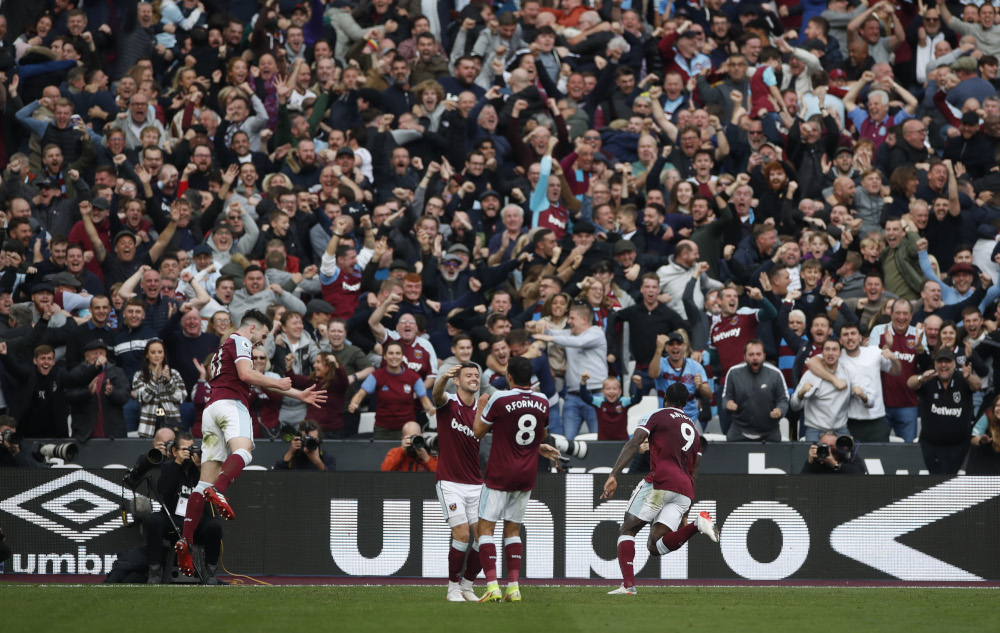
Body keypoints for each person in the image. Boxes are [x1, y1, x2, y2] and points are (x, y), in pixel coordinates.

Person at [174, 309, 327, 578]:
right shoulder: (241, 340)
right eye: (264, 336)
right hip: (232, 405)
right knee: (244, 451)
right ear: (253, 328)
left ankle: (185, 540)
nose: (261, 343)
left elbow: (254, 378)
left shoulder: (225, 346)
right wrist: (278, 380)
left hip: (212, 410)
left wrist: (296, 393)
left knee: (203, 482)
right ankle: (219, 491)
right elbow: (247, 376)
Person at [601, 383, 719, 596]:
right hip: (685, 491)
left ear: (665, 397)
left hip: (661, 482)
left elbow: (634, 443)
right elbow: (695, 471)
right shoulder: (693, 429)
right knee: (655, 546)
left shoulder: (657, 415)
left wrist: (613, 474)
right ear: (685, 403)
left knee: (628, 529)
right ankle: (696, 525)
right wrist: (687, 509)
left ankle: (628, 586)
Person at [472, 356, 561, 603]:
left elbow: (478, 432)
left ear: (509, 376)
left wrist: (481, 406)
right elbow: (540, 433)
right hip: (526, 473)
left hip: (500, 472)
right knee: (512, 530)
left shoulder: (500, 398)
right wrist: (539, 448)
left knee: (485, 529)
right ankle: (513, 587)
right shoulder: (542, 400)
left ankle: (492, 586)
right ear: (531, 379)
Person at [432, 363, 486, 602]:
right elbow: (436, 394)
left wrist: (538, 447)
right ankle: (452, 587)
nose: (474, 378)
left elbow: (507, 432)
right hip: (450, 482)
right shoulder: (448, 402)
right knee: (462, 535)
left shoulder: (482, 409)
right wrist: (442, 377)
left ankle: (467, 585)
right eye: (469, 375)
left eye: (477, 375)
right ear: (457, 380)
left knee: (483, 537)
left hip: (476, 483)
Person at [146, 433, 225, 585]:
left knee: (215, 524)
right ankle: (155, 572)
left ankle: (210, 572)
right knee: (154, 520)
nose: (189, 453)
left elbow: (213, 494)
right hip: (174, 519)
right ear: (174, 451)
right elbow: (164, 491)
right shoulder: (169, 466)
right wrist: (178, 462)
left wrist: (201, 469)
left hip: (197, 522)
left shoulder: (203, 469)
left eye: (192, 449)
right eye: (184, 449)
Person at [804, 323, 900, 442]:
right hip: (850, 422)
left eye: (853, 333)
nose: (849, 337)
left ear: (860, 337)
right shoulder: (837, 355)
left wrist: (893, 358)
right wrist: (834, 380)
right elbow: (811, 363)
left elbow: (896, 372)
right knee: (851, 459)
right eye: (845, 334)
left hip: (877, 420)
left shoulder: (874, 352)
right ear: (840, 340)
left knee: (881, 458)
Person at [908, 347, 981, 474]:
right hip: (931, 446)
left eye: (947, 361)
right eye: (939, 362)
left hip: (960, 446)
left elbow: (978, 385)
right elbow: (910, 383)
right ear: (935, 364)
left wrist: (968, 376)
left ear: (954, 363)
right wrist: (921, 378)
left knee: (955, 487)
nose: (943, 365)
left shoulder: (963, 378)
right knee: (934, 485)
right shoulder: (928, 379)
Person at [348, 340, 436, 439]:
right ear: (384, 356)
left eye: (398, 353)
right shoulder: (376, 376)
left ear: (402, 356)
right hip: (382, 430)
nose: (394, 356)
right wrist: (354, 403)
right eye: (390, 353)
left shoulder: (414, 377)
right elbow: (361, 393)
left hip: (406, 430)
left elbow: (424, 399)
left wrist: (430, 408)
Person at [791, 339, 874, 441]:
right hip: (815, 430)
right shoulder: (810, 375)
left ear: (840, 353)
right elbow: (794, 406)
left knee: (850, 456)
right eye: (827, 349)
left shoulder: (848, 373)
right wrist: (801, 393)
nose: (830, 353)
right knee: (813, 457)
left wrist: (862, 395)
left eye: (834, 350)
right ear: (822, 353)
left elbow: (871, 403)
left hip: (840, 430)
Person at [722, 340, 790, 442]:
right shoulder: (733, 372)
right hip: (739, 432)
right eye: (751, 354)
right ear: (744, 356)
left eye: (758, 354)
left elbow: (783, 399)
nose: (755, 358)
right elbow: (726, 397)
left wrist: (780, 410)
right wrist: (728, 404)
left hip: (769, 433)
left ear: (764, 355)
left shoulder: (775, 374)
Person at [132, 339, 188, 437]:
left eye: (160, 352)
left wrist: (169, 381)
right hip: (148, 426)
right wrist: (154, 379)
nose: (157, 355)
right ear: (147, 355)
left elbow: (180, 398)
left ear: (164, 354)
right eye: (153, 352)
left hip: (172, 424)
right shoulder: (139, 375)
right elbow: (143, 398)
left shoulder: (174, 374)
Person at [800, 431, 868, 474]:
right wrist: (810, 462)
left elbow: (859, 475)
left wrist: (834, 464)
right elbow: (802, 482)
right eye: (824, 446)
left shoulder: (847, 456)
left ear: (839, 446)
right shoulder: (816, 460)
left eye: (831, 446)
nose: (828, 449)